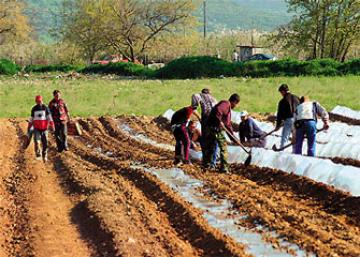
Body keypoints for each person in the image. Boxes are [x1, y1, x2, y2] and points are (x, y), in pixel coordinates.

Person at [204, 94, 240, 173]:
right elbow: (218, 110)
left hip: (212, 128)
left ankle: (209, 164)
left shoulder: (228, 109)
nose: (236, 106)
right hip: (215, 128)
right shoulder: (225, 104)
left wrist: (234, 138)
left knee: (213, 146)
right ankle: (224, 168)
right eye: (236, 104)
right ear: (234, 102)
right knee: (223, 148)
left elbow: (228, 125)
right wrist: (219, 121)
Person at [191, 88, 218, 165]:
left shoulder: (198, 95)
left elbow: (193, 108)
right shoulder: (214, 99)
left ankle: (206, 161)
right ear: (209, 93)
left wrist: (199, 118)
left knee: (205, 140)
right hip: (215, 120)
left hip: (206, 119)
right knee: (213, 141)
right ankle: (213, 162)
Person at [28, 95, 55, 162]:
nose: (39, 102)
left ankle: (44, 154)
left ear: (41, 100)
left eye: (40, 101)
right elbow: (31, 119)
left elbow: (49, 117)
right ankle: (38, 154)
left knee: (45, 143)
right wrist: (29, 126)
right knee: (37, 142)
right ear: (36, 101)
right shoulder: (34, 109)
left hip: (44, 128)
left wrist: (52, 125)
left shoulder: (45, 108)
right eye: (37, 101)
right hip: (37, 128)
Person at [275, 84, 300, 149]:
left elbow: (279, 115)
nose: (281, 94)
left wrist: (278, 125)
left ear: (283, 91)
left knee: (285, 137)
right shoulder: (296, 97)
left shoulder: (283, 101)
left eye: (281, 93)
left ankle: (281, 151)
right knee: (295, 137)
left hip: (289, 120)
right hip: (298, 120)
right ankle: (295, 152)